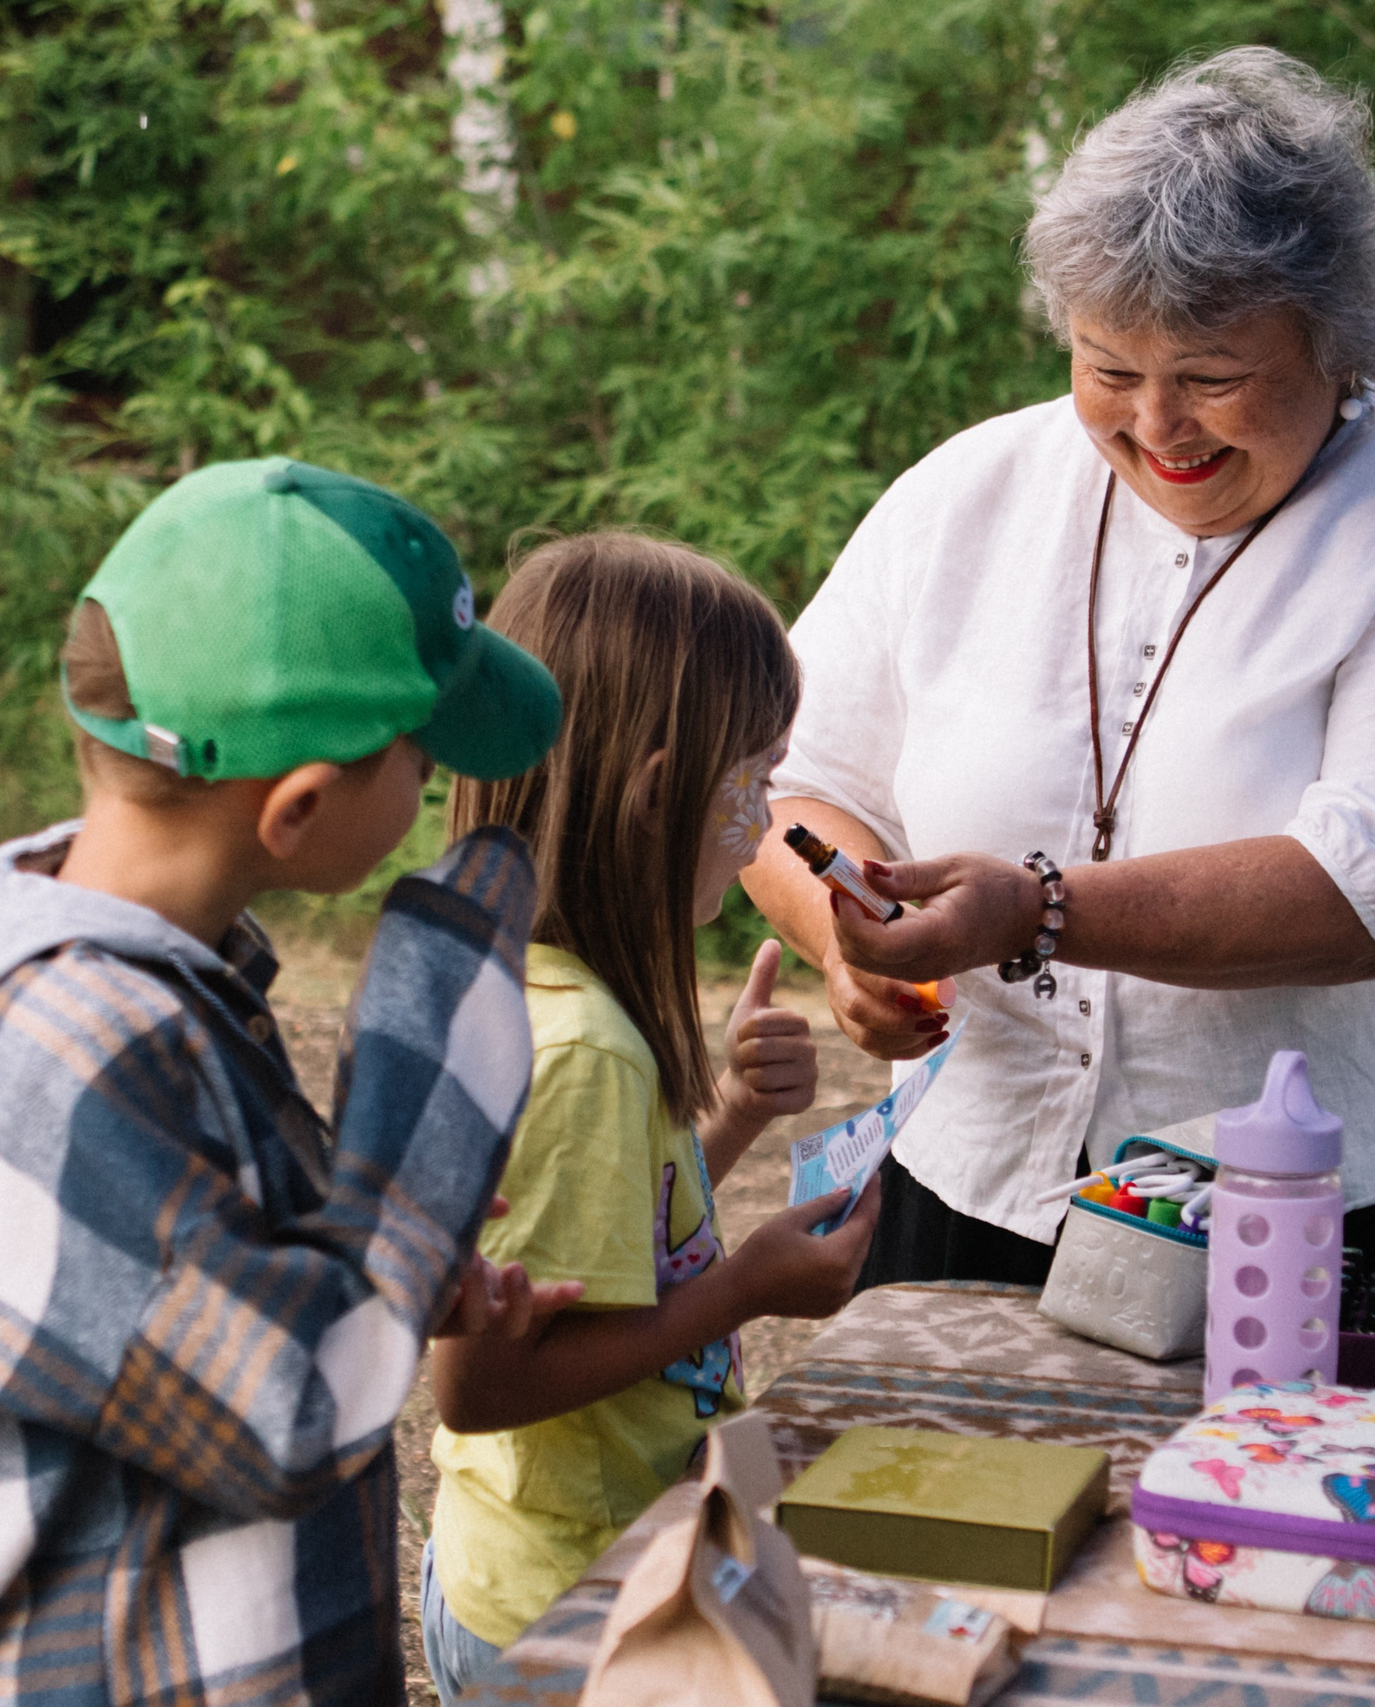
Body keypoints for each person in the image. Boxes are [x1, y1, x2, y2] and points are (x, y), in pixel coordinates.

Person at [744, 48, 1375, 1287]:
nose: (1155, 428)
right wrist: (846, 944)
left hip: (1353, 1219)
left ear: (1338, 346)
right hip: (975, 1188)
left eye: (1213, 379)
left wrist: (1039, 911)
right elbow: (783, 783)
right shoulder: (966, 493)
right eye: (1108, 370)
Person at [0, 459, 574, 1705]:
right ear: (302, 806)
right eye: (425, 763)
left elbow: (189, 1301)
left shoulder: (165, 982)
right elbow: (298, 1406)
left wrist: (384, 1275)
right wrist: (416, 1154)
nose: (436, 794)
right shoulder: (66, 1042)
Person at [421, 534, 882, 1700]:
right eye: (755, 783)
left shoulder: (546, 992)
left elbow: (606, 1244)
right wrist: (745, 1289)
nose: (767, 819)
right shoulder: (581, 1049)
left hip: (555, 1568)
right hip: (573, 1609)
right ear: (654, 793)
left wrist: (726, 1116)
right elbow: (477, 1388)